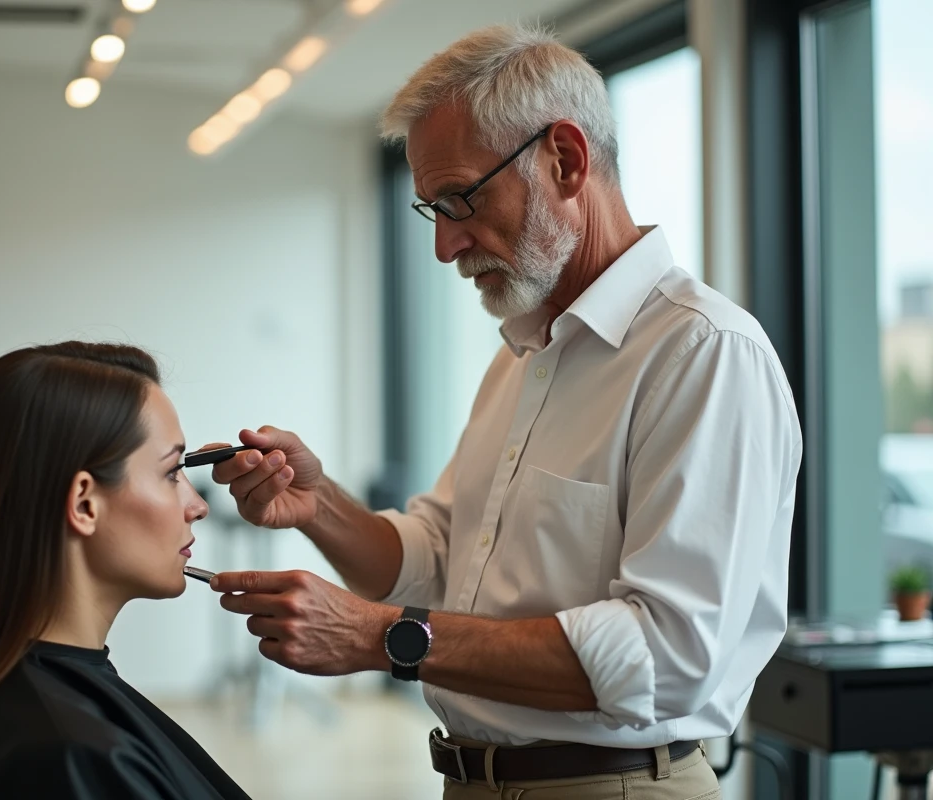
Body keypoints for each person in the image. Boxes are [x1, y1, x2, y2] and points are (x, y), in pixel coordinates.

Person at [202, 24, 802, 800]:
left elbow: (670, 656)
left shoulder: (703, 355)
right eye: (431, 210)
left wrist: (376, 639)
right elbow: (436, 559)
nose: (447, 247)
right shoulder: (522, 353)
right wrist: (320, 507)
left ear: (566, 159)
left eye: (460, 199)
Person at [0, 342, 251, 800]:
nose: (196, 506)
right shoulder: (77, 758)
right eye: (173, 472)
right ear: (84, 504)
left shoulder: (10, 706)